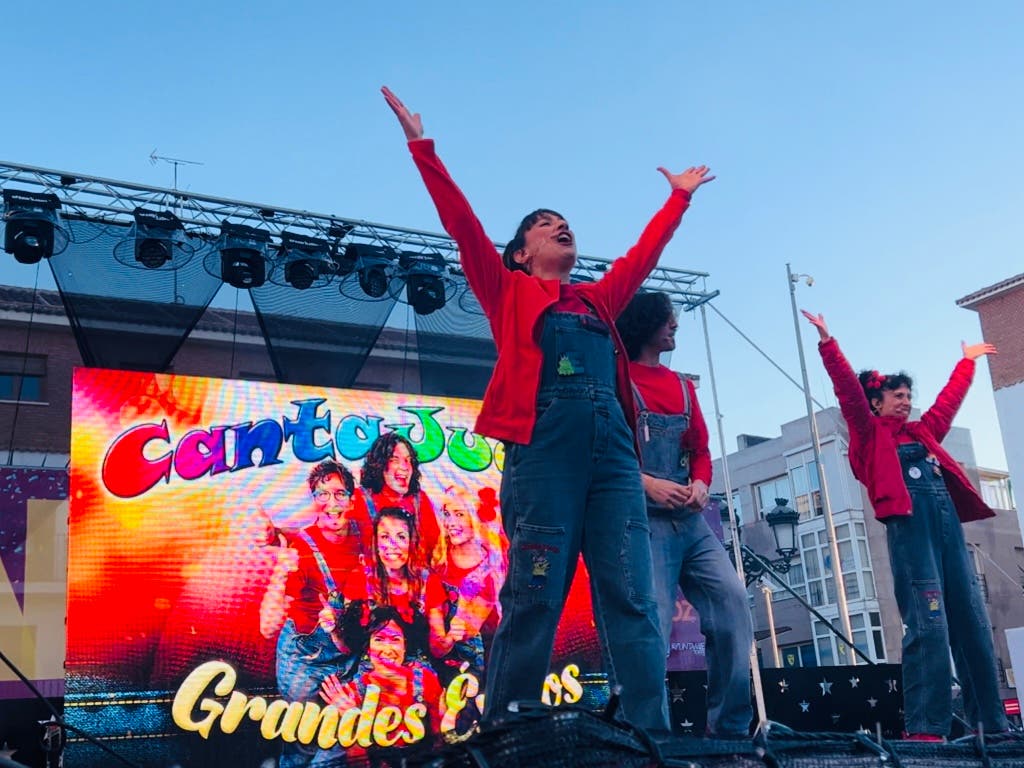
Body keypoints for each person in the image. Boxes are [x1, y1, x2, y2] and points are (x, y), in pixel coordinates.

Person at [382, 86, 714, 734]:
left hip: (615, 458)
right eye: (542, 223)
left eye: (563, 221)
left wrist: (678, 198)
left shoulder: (596, 300)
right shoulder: (504, 290)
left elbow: (643, 256)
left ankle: (651, 733)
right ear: (521, 253)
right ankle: (508, 728)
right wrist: (422, 147)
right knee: (536, 590)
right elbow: (461, 223)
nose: (559, 225)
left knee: (631, 596)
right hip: (544, 455)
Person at [802, 310, 1008, 741]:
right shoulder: (867, 433)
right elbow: (846, 390)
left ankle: (993, 725)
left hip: (949, 535)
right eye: (897, 394)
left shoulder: (925, 431)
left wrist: (966, 362)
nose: (905, 400)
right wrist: (827, 341)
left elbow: (948, 401)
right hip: (911, 535)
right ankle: (927, 728)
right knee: (929, 627)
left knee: (972, 625)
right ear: (877, 401)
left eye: (908, 395)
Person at [616, 291, 753, 738]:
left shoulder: (684, 387)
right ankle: (650, 738)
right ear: (645, 325)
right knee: (649, 629)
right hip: (643, 523)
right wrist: (647, 482)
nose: (674, 327)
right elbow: (606, 455)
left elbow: (701, 452)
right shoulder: (618, 382)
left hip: (693, 524)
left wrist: (700, 485)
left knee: (732, 603)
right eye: (667, 321)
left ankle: (729, 730)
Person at [259, 460, 369, 767]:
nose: (331, 503)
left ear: (352, 498)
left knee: (338, 742)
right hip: (304, 661)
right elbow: (268, 625)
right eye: (322, 494)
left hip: (347, 658)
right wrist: (279, 575)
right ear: (313, 499)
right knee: (302, 745)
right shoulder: (300, 550)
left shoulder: (365, 535)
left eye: (339, 494)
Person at [320, 606, 445, 756]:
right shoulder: (352, 695)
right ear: (368, 648)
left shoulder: (425, 680)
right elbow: (358, 763)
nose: (387, 650)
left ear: (405, 646)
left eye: (395, 640)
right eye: (379, 639)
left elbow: (441, 743)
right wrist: (353, 721)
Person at [361, 432, 441, 556]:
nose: (404, 467)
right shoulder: (360, 500)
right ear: (379, 465)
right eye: (395, 459)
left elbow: (436, 550)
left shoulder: (419, 500)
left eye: (408, 460)